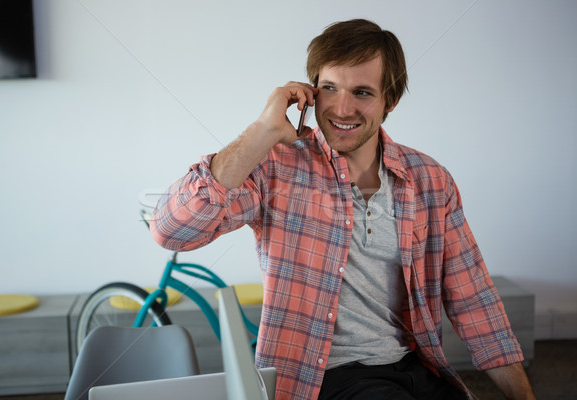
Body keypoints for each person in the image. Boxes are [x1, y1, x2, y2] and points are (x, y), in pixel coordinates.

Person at [150, 19, 536, 400]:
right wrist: (262, 132)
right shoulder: (277, 168)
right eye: (330, 88)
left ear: (391, 101)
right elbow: (171, 230)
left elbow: (475, 301)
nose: (342, 107)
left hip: (415, 368)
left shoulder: (430, 180)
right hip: (323, 378)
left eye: (363, 92)